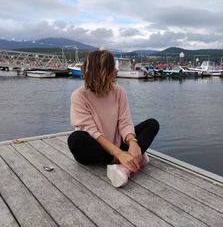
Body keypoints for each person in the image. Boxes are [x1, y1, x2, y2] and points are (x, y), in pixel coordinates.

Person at [68, 49, 159, 187]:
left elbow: (125, 121)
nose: (116, 70)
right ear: (101, 71)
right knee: (76, 140)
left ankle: (125, 166)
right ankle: (132, 160)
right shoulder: (79, 96)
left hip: (117, 143)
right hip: (96, 148)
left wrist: (133, 143)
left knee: (152, 124)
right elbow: (93, 132)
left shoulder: (119, 91)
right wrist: (119, 154)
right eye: (112, 67)